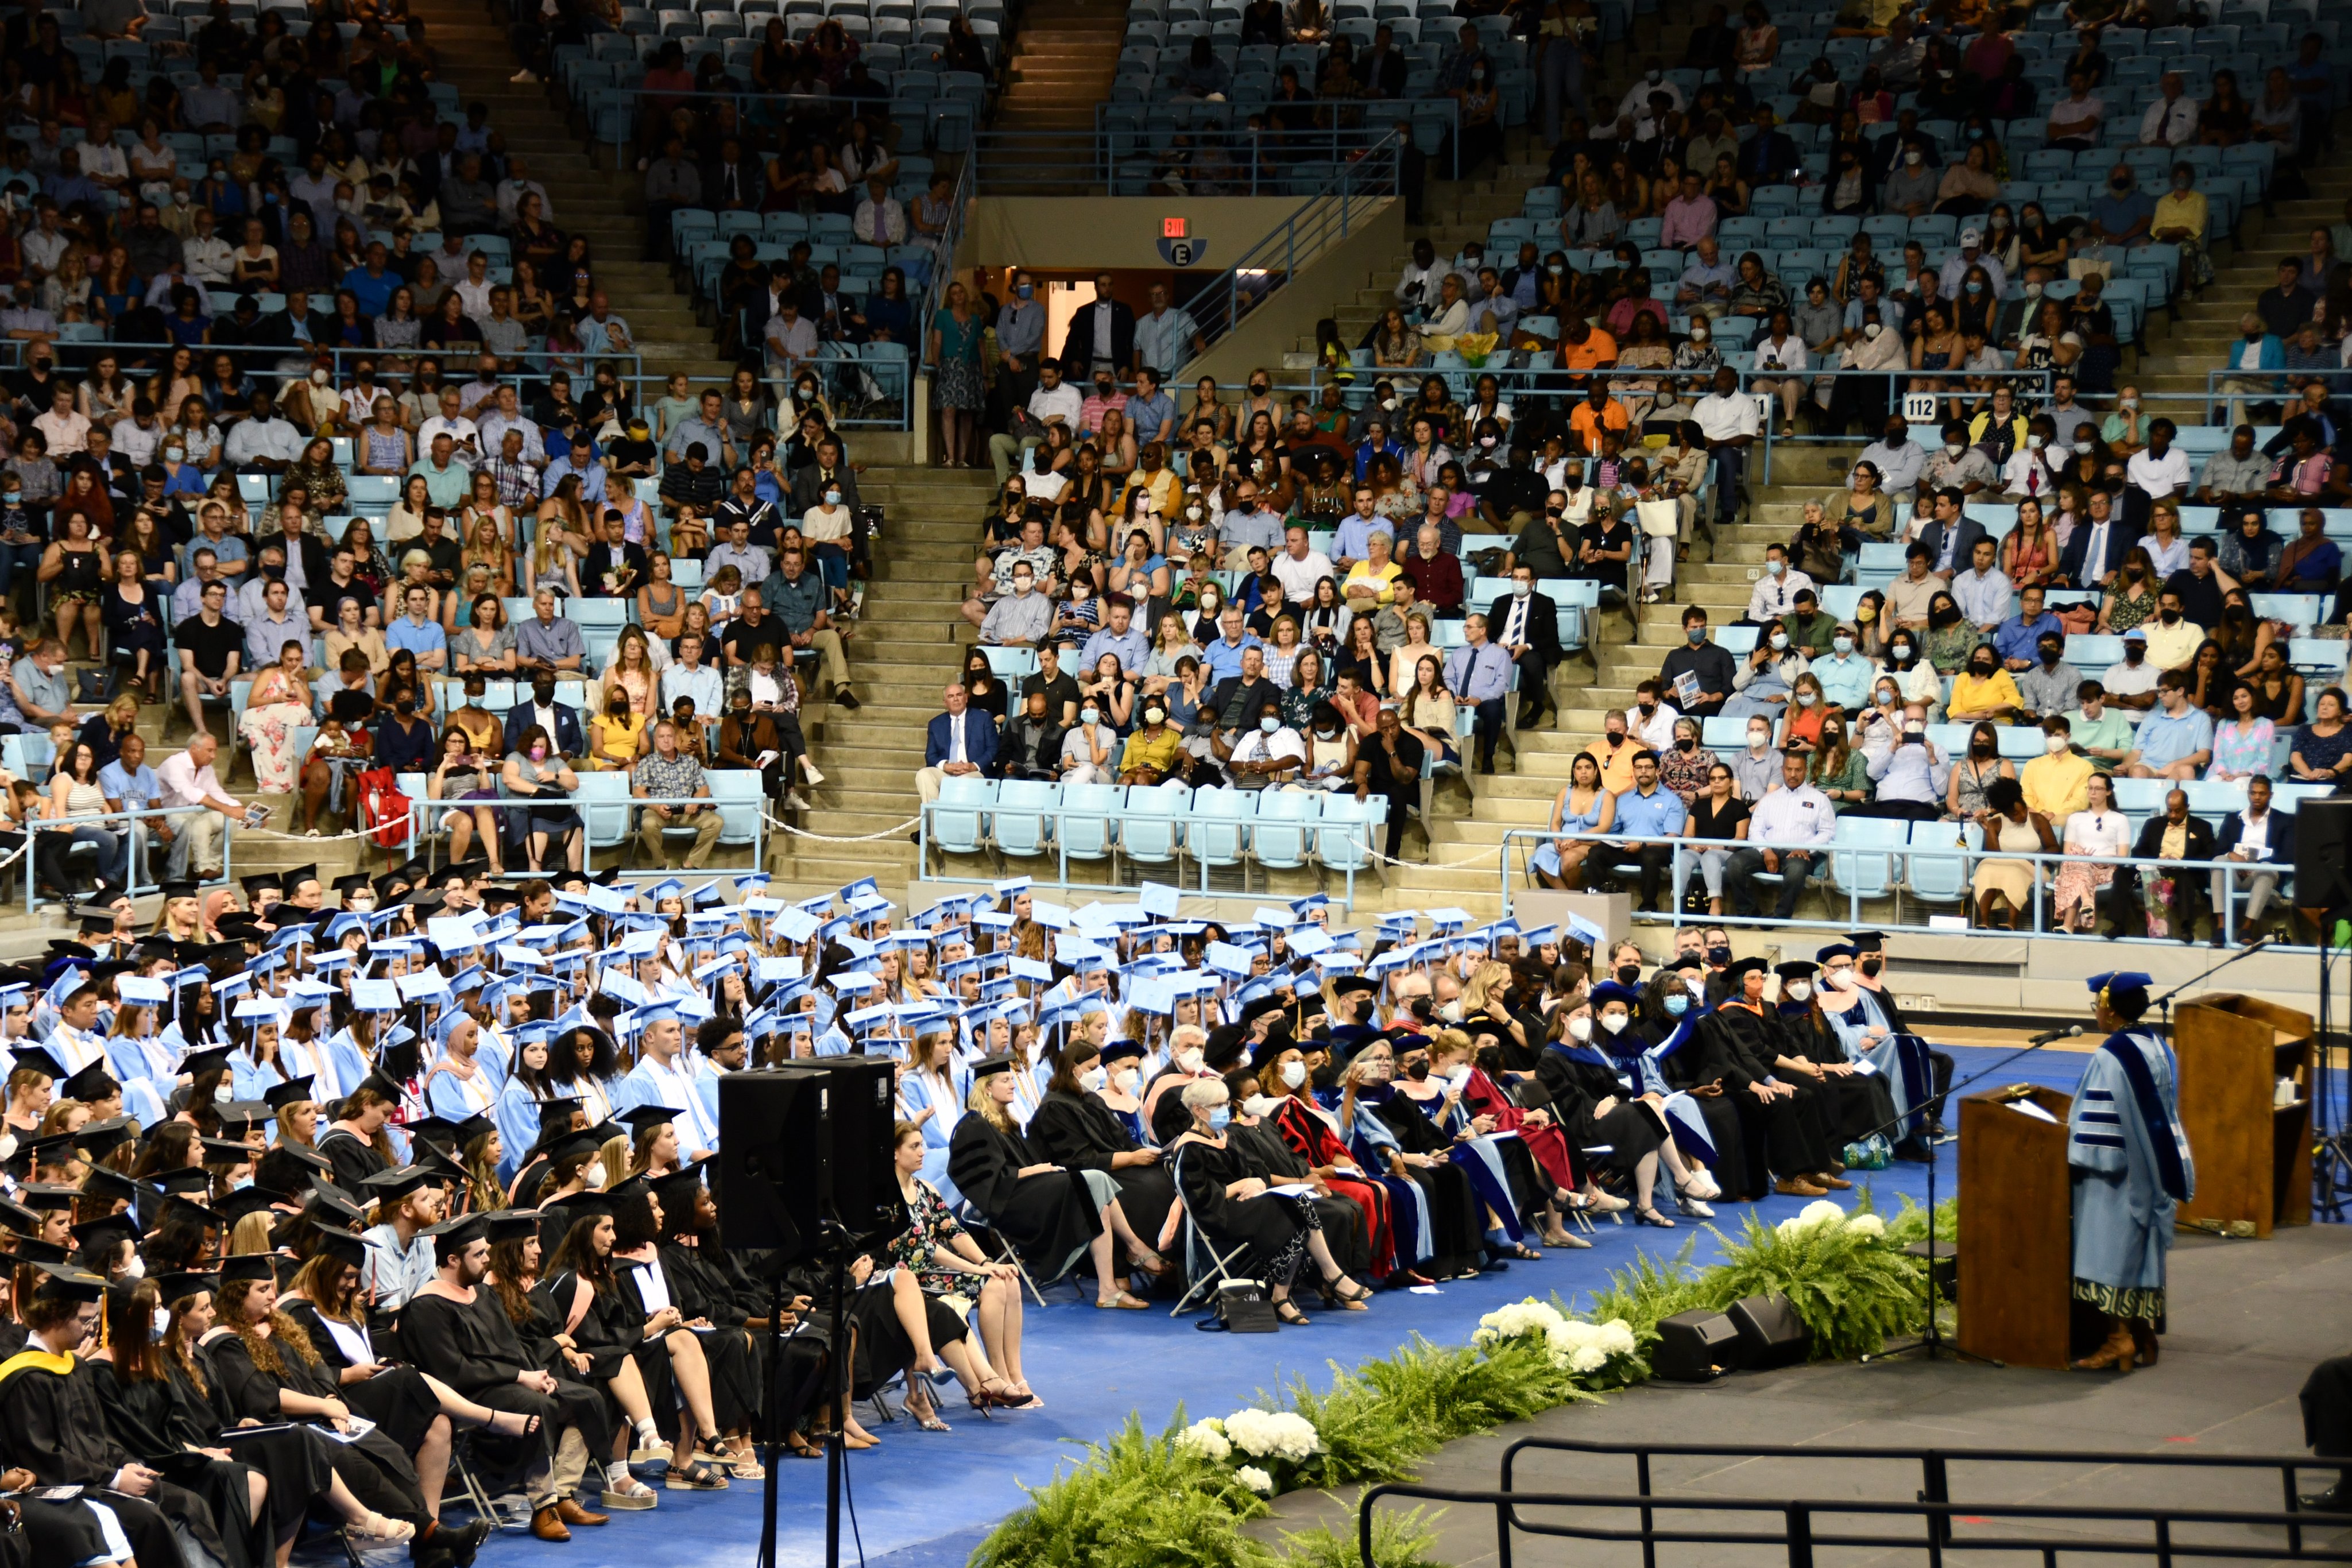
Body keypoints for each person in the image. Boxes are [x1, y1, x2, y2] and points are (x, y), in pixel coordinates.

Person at [2067, 970, 2194, 1373]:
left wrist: (2076, 1152)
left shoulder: (2112, 1055)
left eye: (2097, 1005)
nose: (2096, 1012)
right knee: (2140, 1253)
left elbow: (2097, 1125)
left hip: (2118, 1173)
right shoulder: (2159, 1045)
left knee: (2111, 1252)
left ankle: (2118, 1339)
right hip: (2155, 1166)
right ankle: (2144, 1335)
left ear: (2110, 1009)